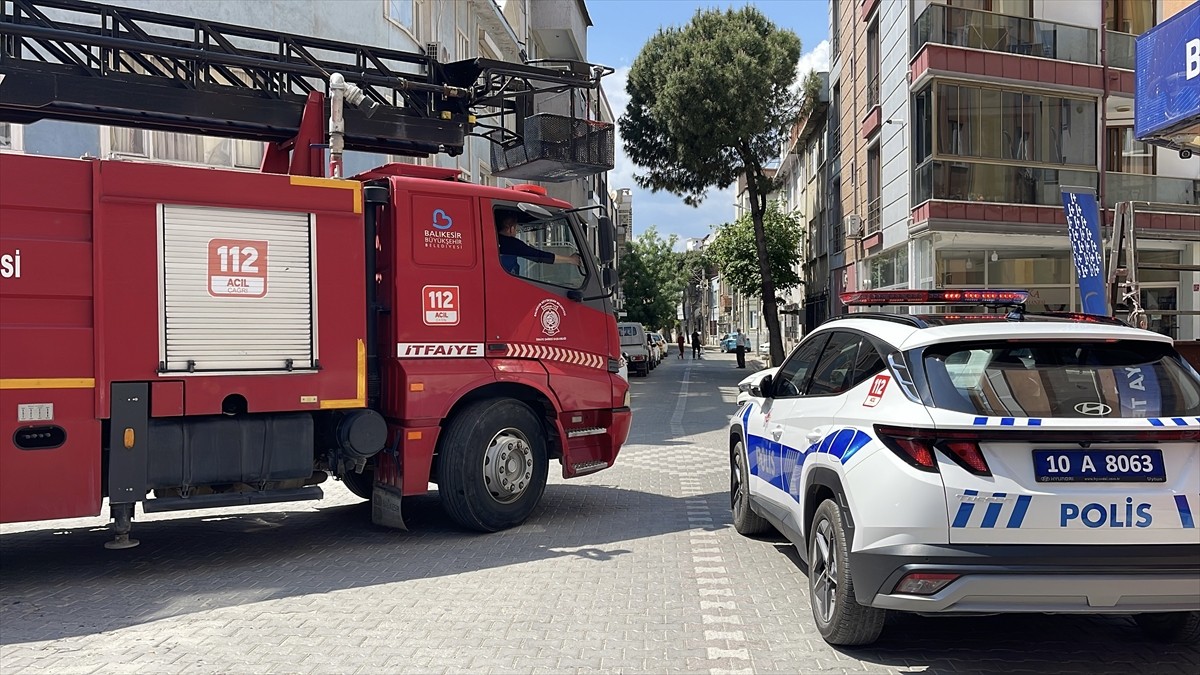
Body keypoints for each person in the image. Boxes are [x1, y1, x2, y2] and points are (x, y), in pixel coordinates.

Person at [496, 215, 581, 276]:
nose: (516, 231)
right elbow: (539, 256)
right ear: (510, 228)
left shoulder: (492, 240)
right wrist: (570, 259)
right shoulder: (512, 244)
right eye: (516, 228)